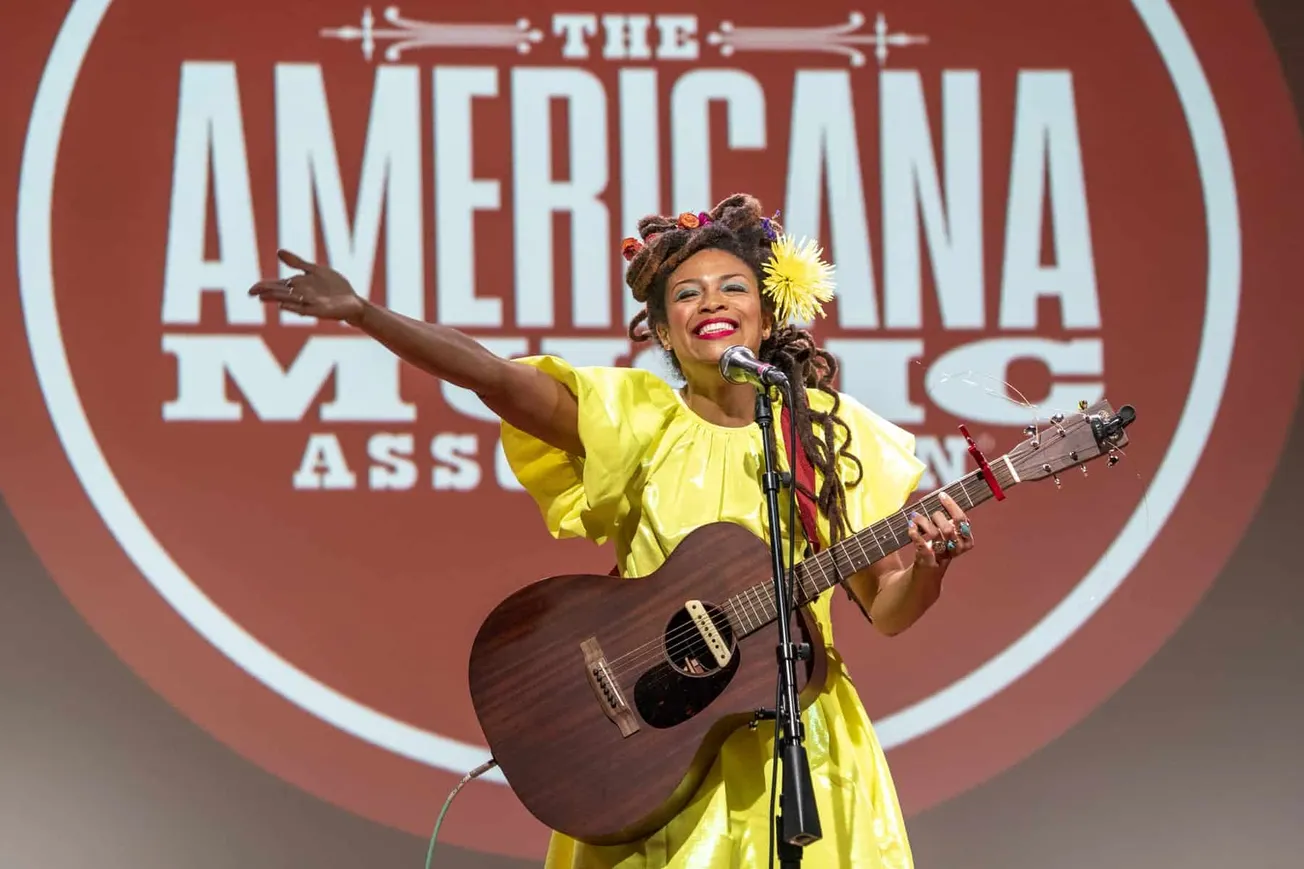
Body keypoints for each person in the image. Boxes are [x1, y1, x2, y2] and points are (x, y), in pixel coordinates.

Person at [249, 193, 974, 869]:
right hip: (652, 750)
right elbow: (496, 380)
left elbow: (886, 607)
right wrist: (368, 314)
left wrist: (930, 569)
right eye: (687, 294)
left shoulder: (823, 431)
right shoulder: (639, 420)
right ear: (663, 329)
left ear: (768, 313)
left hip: (803, 760)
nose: (711, 301)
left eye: (732, 287)